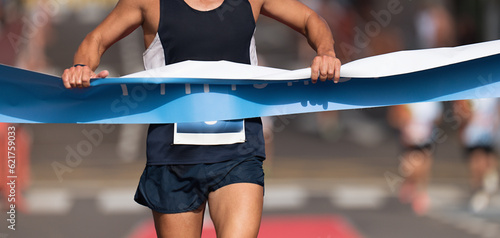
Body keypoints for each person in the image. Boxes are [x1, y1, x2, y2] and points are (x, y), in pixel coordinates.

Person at [61, 0, 341, 237]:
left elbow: (310, 19)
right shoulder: (149, 3)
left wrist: (326, 53)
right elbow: (94, 40)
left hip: (239, 153)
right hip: (172, 158)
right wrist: (81, 67)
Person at [454, 99, 500, 212]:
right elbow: (461, 110)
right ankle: (478, 190)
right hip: (473, 132)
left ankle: (486, 186)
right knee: (476, 162)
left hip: (488, 132)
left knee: (487, 160)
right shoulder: (470, 95)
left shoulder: (492, 95)